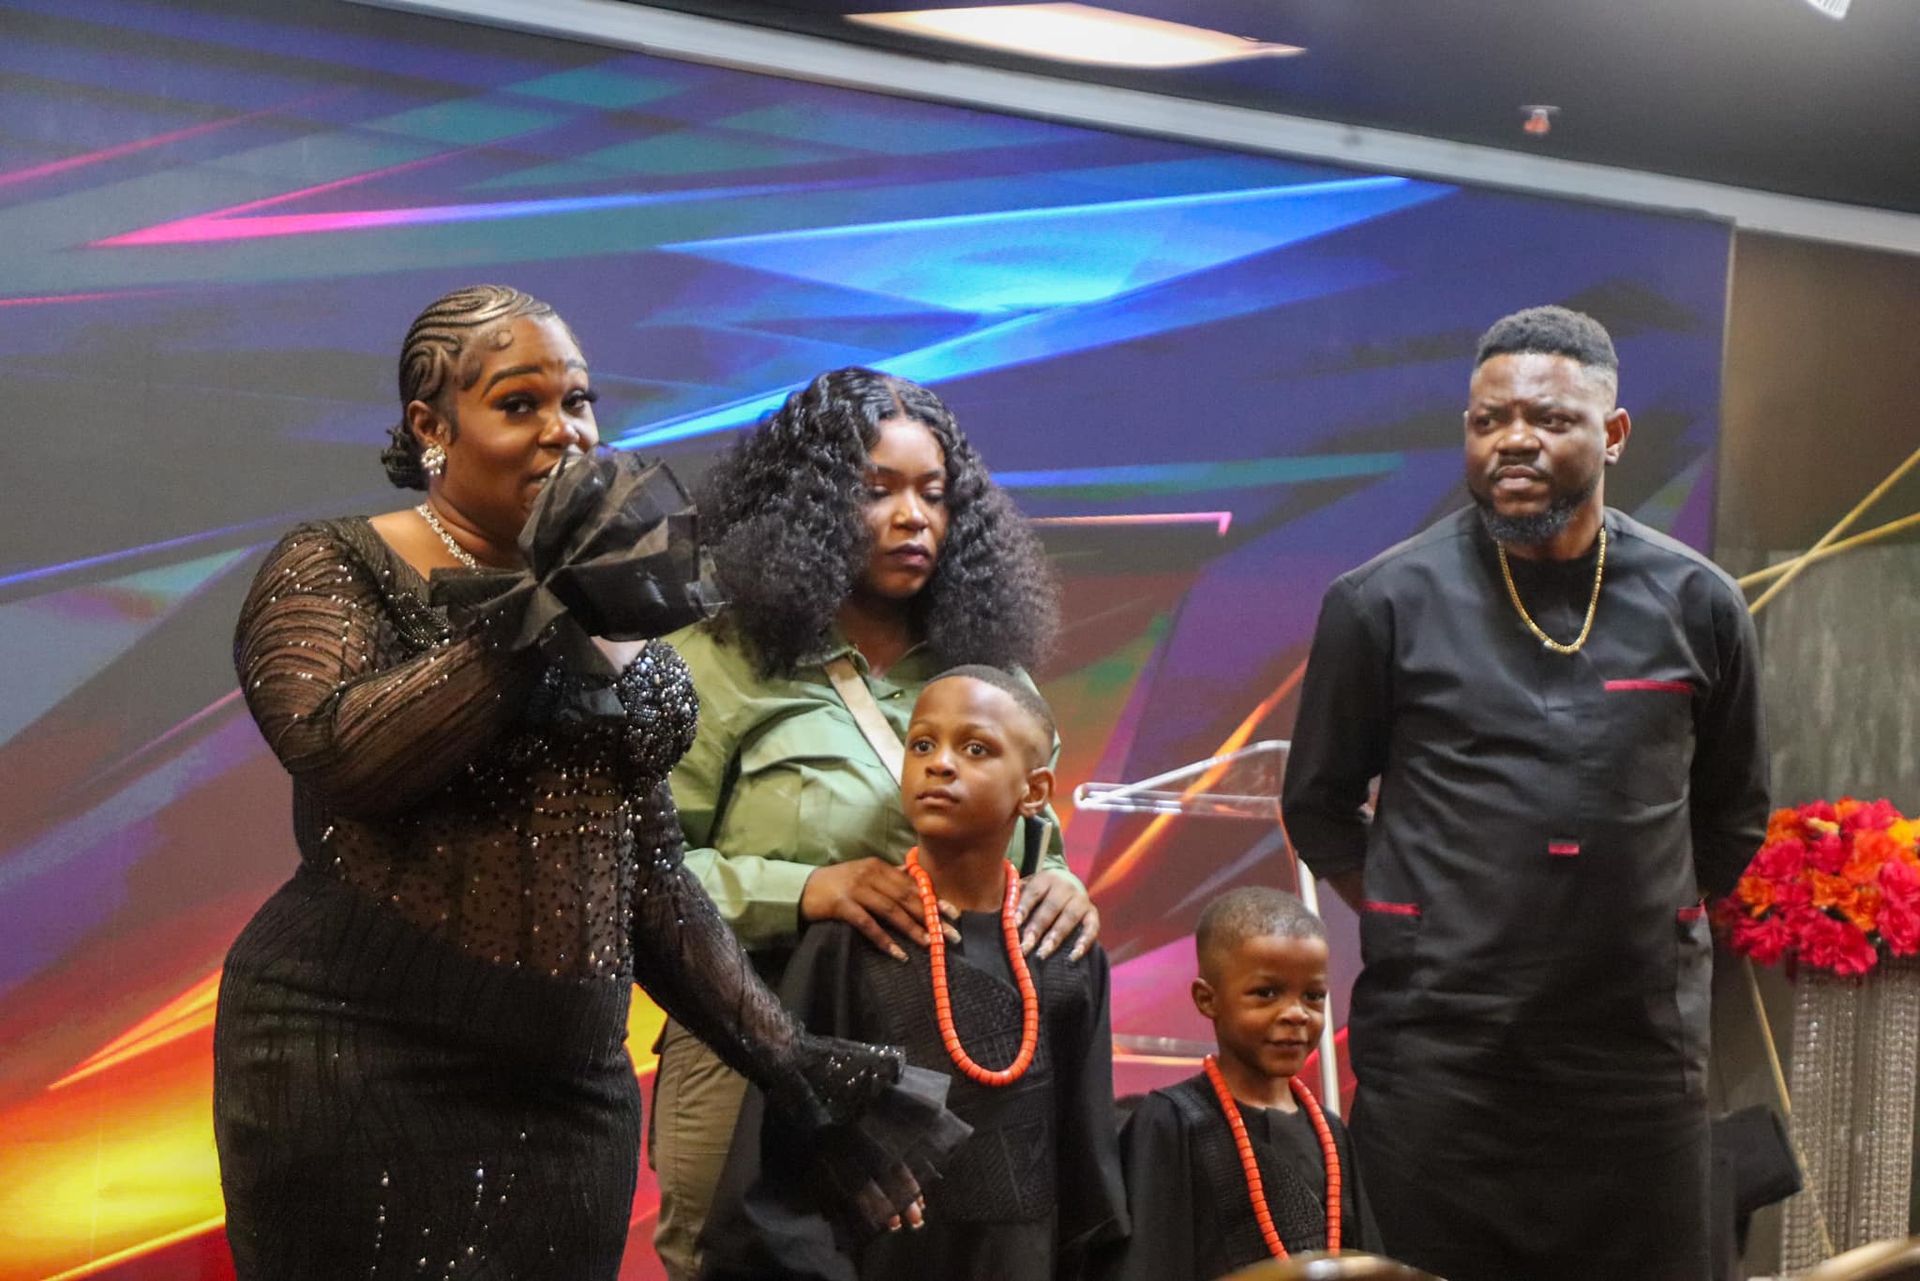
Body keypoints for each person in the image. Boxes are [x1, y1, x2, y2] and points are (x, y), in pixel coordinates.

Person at [214, 286, 940, 1281]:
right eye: (520, 404)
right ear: (431, 427)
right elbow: (344, 756)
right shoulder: (337, 563)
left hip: (571, 1090)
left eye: (579, 401)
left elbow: (650, 878)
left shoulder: (617, 612)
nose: (565, 431)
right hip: (358, 1054)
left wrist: (791, 1065)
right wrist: (540, 615)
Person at [1280, 305, 1771, 1281]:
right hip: (1442, 1061)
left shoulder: (1698, 603)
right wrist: (1421, 915)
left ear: (1613, 433)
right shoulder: (1381, 601)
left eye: (1548, 419)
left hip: (1634, 1064)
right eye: (1488, 420)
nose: (1513, 441)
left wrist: (1645, 913)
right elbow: (1319, 804)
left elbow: (1734, 811)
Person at [651, 367, 1100, 1277]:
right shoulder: (715, 662)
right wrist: (805, 889)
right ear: (810, 505)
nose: (913, 517)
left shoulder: (993, 678)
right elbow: (640, 877)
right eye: (878, 490)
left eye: (934, 493)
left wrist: (1062, 888)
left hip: (948, 1059)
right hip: (750, 1042)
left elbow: (1033, 845)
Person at [700, 666, 1128, 1281]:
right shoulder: (847, 944)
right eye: (922, 745)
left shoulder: (1066, 955)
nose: (940, 764)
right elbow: (782, 1155)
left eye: (975, 749)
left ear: (1034, 791)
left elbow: (1088, 1168)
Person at [1101, 887, 1377, 1280]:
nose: (1296, 1014)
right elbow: (1149, 1263)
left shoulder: (1330, 1135)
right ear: (1207, 999)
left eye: (1313, 996)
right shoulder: (1172, 1121)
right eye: (1267, 993)